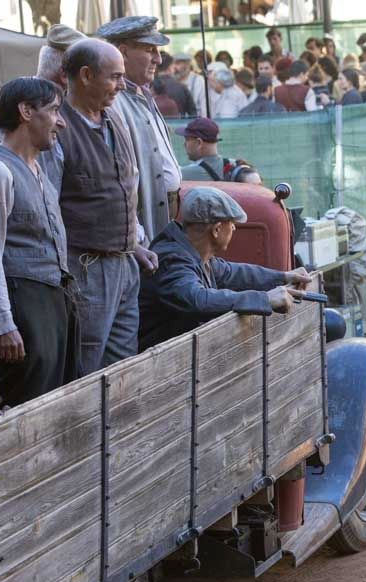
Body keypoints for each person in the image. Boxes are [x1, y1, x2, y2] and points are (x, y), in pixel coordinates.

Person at [56, 38, 157, 375]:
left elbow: (127, 187)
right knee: (87, 366)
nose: (122, 85)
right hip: (85, 270)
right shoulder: (58, 129)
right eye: (114, 77)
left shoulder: (114, 120)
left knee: (122, 366)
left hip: (124, 265)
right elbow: (48, 210)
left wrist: (133, 245)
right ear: (86, 75)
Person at [0, 77, 75, 407]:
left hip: (52, 302)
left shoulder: (39, 171)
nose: (60, 122)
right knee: (25, 406)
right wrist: (2, 323)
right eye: (54, 110)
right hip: (24, 307)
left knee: (53, 403)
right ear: (26, 112)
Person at [139, 187, 311, 349]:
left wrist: (283, 277)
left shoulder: (192, 252)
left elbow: (232, 273)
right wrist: (264, 299)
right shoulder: (172, 260)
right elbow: (197, 300)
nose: (234, 227)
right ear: (216, 230)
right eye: (231, 223)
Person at [99, 16, 183, 241]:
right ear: (123, 52)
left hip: (160, 217)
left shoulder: (143, 93)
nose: (158, 58)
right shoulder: (113, 102)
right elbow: (116, 178)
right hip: (143, 228)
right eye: (149, 50)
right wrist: (137, 236)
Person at [0, 23, 84, 180]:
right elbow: (3, 179)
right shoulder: (13, 107)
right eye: (86, 72)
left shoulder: (49, 107)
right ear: (64, 74)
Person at [175, 116, 230, 180]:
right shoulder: (234, 166)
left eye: (187, 139)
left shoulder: (183, 174)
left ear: (199, 143)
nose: (184, 144)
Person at [155, 51, 195, 116]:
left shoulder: (148, 86)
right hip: (179, 122)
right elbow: (193, 113)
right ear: (170, 67)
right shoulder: (182, 87)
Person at [172, 51, 207, 118]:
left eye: (177, 63)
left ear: (187, 64)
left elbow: (204, 107)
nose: (174, 67)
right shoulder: (172, 80)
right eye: (172, 64)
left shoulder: (199, 81)